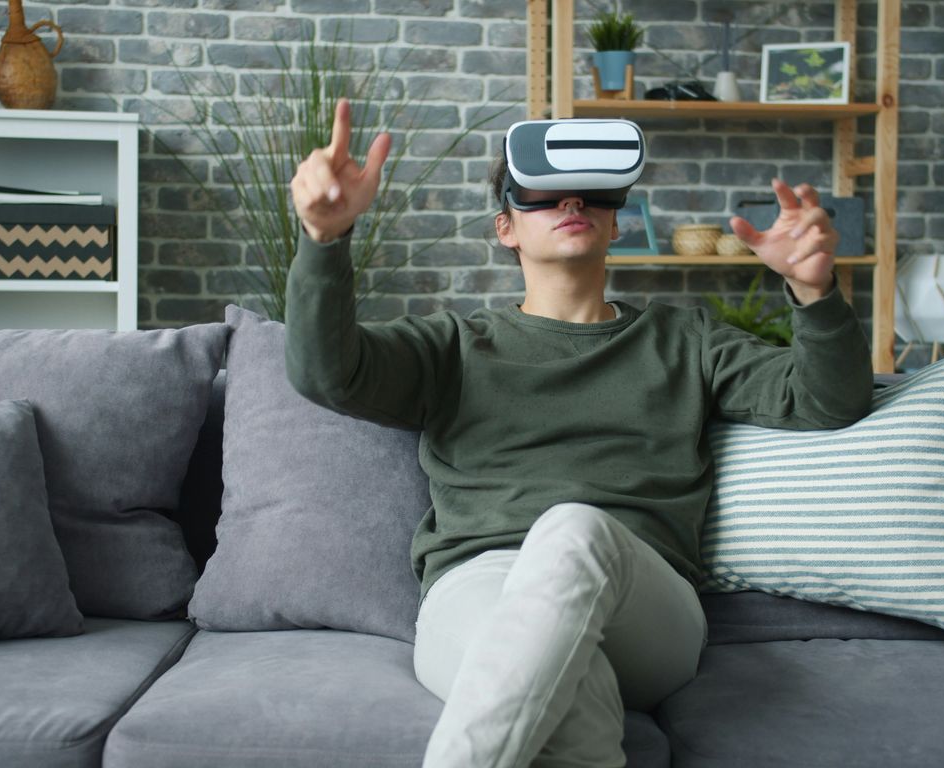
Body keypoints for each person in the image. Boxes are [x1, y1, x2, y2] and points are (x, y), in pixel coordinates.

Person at [285, 99, 873, 768]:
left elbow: (829, 400)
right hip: (478, 589)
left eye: (593, 191)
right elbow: (326, 374)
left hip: (642, 605)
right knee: (570, 694)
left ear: (617, 220)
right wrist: (323, 241)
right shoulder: (455, 345)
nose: (572, 200)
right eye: (542, 193)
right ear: (506, 227)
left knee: (573, 529)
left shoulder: (685, 339)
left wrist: (815, 292)